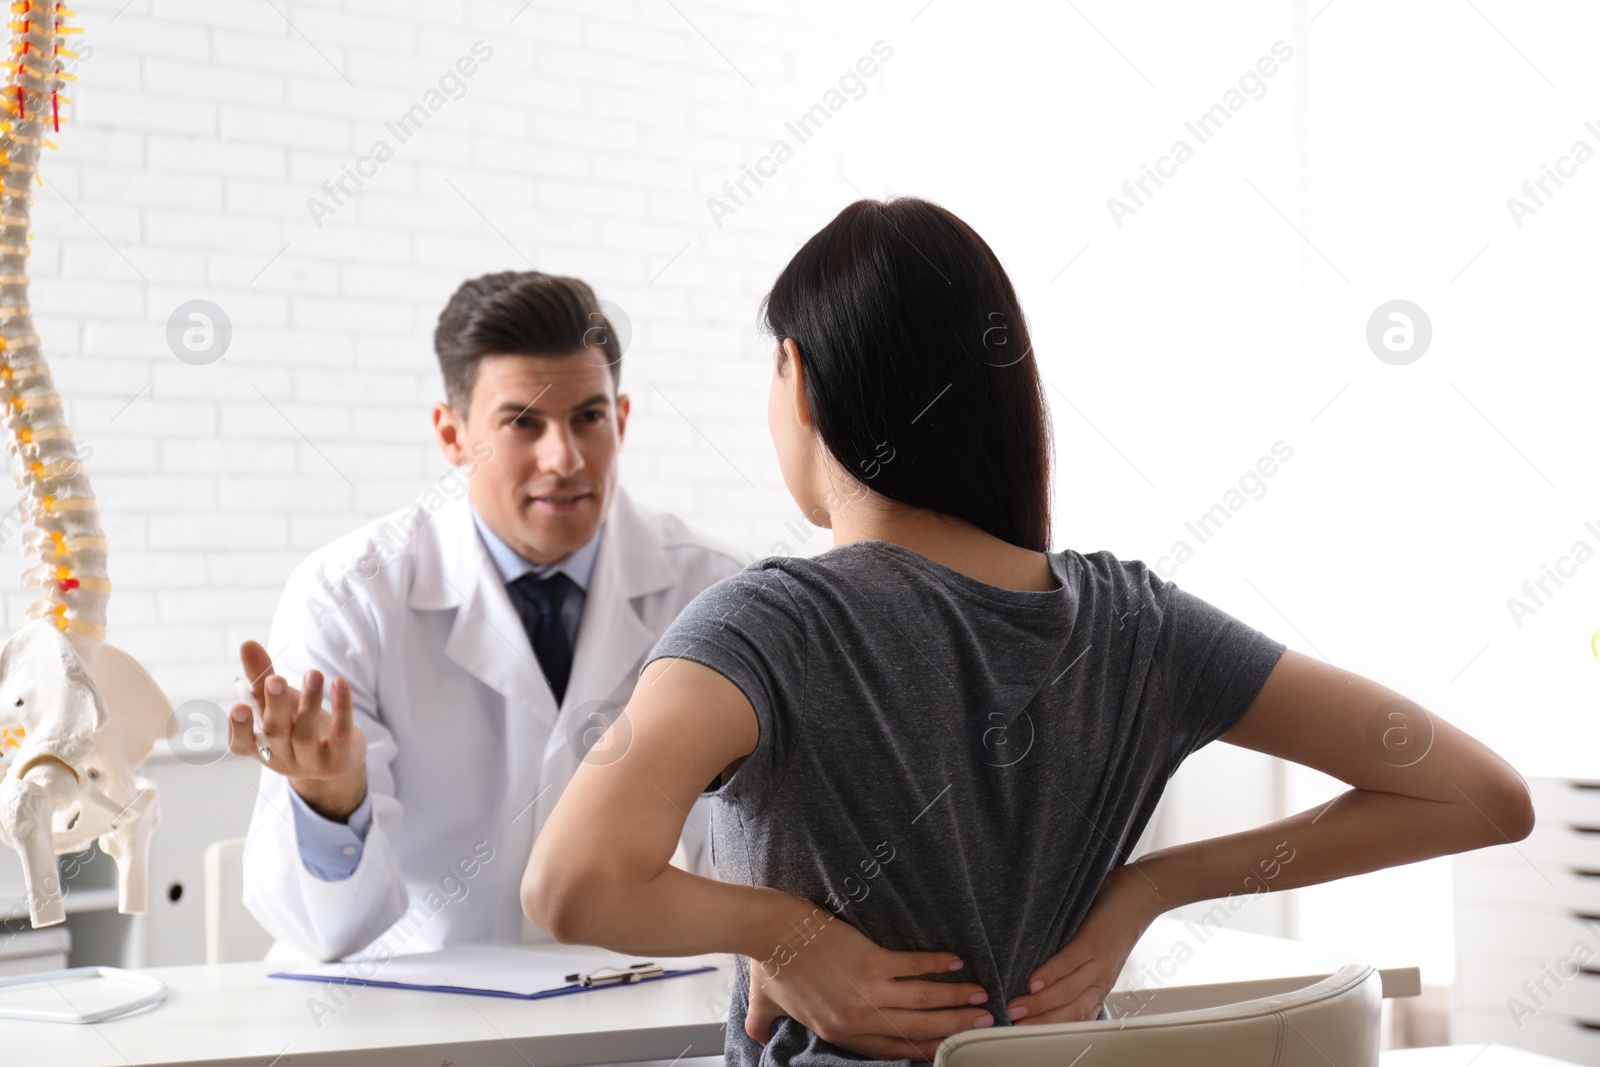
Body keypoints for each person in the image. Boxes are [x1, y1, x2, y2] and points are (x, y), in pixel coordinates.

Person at [521, 198, 1535, 1064]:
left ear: (797, 377)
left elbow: (569, 884)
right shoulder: (1139, 623)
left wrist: (783, 933)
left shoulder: (769, 623)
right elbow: (1479, 794)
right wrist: (1145, 888)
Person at [229, 271, 750, 963]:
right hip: (411, 1012)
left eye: (588, 417)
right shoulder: (347, 596)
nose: (563, 458)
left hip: (630, 1006)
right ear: (452, 434)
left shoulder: (715, 588)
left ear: (622, 419)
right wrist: (332, 801)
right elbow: (329, 930)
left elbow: (745, 860)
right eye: (522, 422)